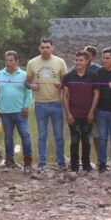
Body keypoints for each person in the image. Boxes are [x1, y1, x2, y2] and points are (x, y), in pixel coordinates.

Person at [26, 38, 68, 171]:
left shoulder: (60, 62)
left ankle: (61, 163)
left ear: (52, 48)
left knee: (59, 135)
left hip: (56, 103)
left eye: (47, 47)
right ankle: (42, 163)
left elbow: (66, 83)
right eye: (43, 47)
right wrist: (32, 85)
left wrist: (61, 85)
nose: (45, 49)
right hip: (40, 104)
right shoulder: (32, 62)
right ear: (39, 48)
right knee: (42, 135)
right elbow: (26, 83)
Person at [0, 51, 33, 170]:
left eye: (11, 60)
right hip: (4, 112)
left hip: (20, 112)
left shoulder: (24, 75)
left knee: (25, 136)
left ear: (16, 61)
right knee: (8, 137)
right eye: (6, 60)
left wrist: (26, 107)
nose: (8, 63)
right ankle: (9, 161)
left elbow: (29, 92)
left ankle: (28, 163)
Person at [62, 50, 99, 173]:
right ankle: (74, 165)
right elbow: (65, 96)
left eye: (81, 60)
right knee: (74, 140)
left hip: (87, 114)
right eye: (76, 60)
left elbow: (96, 94)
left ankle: (87, 165)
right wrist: (68, 113)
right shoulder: (68, 76)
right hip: (73, 114)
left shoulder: (93, 76)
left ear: (87, 61)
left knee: (86, 140)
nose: (78, 62)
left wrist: (91, 112)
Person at [84, 45, 102, 161]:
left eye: (87, 56)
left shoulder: (99, 70)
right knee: (83, 135)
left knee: (97, 135)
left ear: (93, 58)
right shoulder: (77, 68)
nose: (84, 58)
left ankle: (101, 159)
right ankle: (86, 161)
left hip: (96, 107)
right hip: (81, 107)